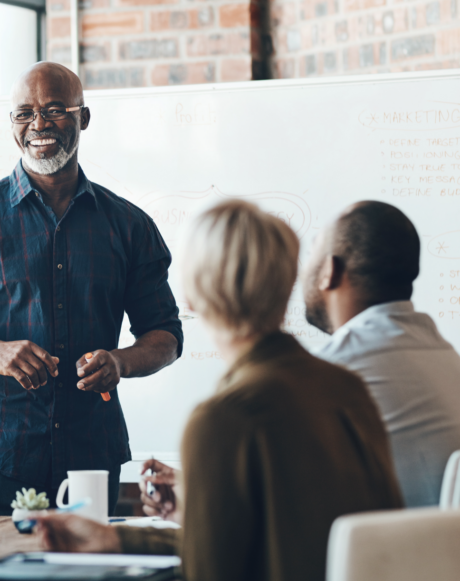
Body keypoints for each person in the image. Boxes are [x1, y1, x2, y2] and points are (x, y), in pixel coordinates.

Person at [37, 199, 402, 581]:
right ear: (289, 283)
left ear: (192, 297)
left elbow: (210, 570)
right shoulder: (348, 387)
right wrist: (121, 537)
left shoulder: (224, 419)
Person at [0, 61, 183, 516]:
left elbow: (166, 335)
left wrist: (121, 361)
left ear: (83, 118)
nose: (39, 125)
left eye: (55, 110)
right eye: (24, 114)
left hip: (92, 454)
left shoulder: (129, 227)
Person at [303, 201, 460, 508]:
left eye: (311, 254)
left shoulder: (328, 372)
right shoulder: (448, 358)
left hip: (378, 553)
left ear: (328, 271)